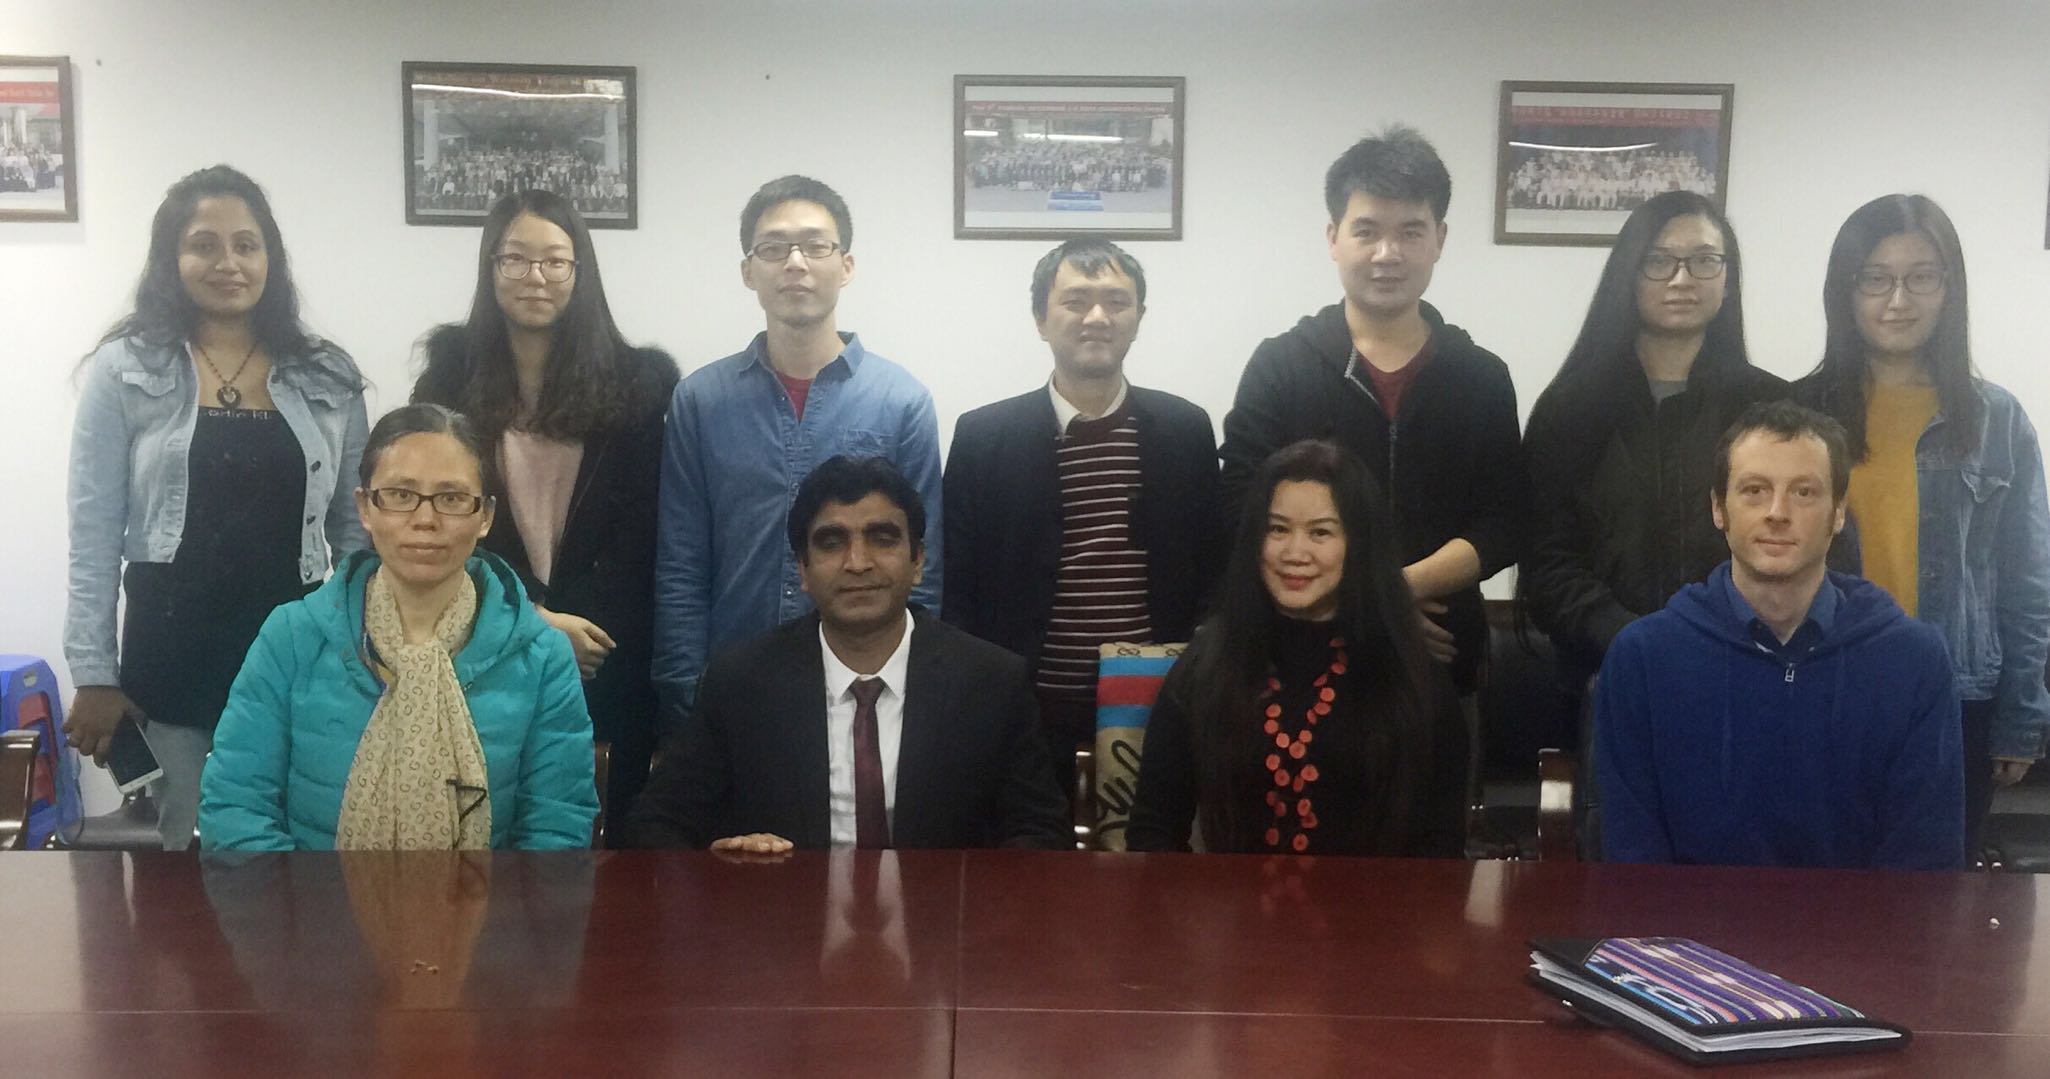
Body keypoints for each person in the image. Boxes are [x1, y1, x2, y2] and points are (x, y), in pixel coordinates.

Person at [64, 164, 369, 850]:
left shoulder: (328, 374)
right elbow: (93, 533)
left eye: (246, 245)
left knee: (298, 848)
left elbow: (356, 532)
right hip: (169, 657)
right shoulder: (124, 369)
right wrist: (93, 674)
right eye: (204, 245)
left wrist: (359, 650)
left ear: (271, 258)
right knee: (186, 855)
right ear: (172, 259)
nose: (228, 262)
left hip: (296, 652)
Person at [199, 404, 598, 850]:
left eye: (451, 498)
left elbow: (556, 829)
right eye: (400, 495)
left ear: (485, 516)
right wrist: (305, 897)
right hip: (309, 894)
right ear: (364, 508)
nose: (425, 520)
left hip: (488, 896)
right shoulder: (291, 637)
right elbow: (236, 808)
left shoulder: (542, 657)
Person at [1218, 126, 1524, 697]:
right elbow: (1243, 506)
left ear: (1440, 238)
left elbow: (1505, 521)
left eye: (1411, 231)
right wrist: (1367, 603)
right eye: (1367, 231)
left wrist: (1397, 590)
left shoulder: (1480, 376)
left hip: (1439, 665)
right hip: (1298, 658)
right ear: (1333, 237)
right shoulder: (1280, 366)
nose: (1388, 254)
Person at [626, 455, 1067, 851]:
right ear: (802, 570)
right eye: (832, 542)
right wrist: (722, 865)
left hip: (941, 916)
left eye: (882, 538)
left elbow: (1043, 835)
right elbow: (656, 825)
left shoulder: (991, 683)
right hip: (786, 913)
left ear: (918, 562)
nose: (857, 562)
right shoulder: (740, 684)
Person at [411, 190, 679, 837]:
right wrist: (530, 621)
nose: (536, 276)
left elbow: (646, 531)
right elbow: (437, 522)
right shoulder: (446, 380)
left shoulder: (642, 384)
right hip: (484, 649)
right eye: (516, 259)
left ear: (580, 271)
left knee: (606, 843)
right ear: (491, 266)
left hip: (608, 656)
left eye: (555, 261)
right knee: (486, 841)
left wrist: (579, 632)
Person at [1596, 402, 1963, 869]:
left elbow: (1924, 864)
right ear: (1718, 508)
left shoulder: (1913, 660)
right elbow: (1634, 859)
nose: (1777, 513)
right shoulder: (1644, 658)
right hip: (1690, 917)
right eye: (1754, 490)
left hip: (1860, 919)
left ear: (1838, 513)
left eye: (1804, 492)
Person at [1794, 194, 2050, 855]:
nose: (1898, 299)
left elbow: (2027, 583)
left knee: (1933, 896)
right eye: (1875, 278)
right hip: (1822, 685)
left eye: (1922, 277)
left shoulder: (1999, 420)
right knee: (1812, 886)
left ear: (1949, 288)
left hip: (1956, 698)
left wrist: (2022, 717)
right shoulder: (1796, 412)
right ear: (1846, 290)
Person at [654, 175, 944, 729]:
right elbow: (682, 565)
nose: (794, 263)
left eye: (815, 246)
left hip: (865, 695)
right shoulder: (700, 401)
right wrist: (686, 693)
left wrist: (909, 690)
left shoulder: (901, 402)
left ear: (846, 265)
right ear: (748, 271)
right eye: (773, 248)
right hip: (731, 688)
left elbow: (921, 571)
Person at [943, 238, 1224, 798]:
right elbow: (959, 587)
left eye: (1117, 302)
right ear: (1040, 320)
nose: (1097, 317)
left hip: (1158, 707)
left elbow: (1214, 566)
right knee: (1029, 848)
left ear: (1138, 318)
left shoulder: (1185, 430)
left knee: (1148, 849)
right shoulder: (983, 438)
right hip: (1023, 709)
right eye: (1075, 301)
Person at [1126, 441, 1467, 856]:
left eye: (1320, 532)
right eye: (1277, 529)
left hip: (1377, 900)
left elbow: (1441, 851)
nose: (1294, 553)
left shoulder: (1414, 678)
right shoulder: (1206, 665)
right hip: (1230, 898)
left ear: (1359, 544)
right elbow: (1153, 829)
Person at [1521, 191, 1799, 685]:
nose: (1681, 279)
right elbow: (1547, 563)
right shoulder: (1570, 408)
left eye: (1704, 260)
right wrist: (1638, 640)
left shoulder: (1770, 408)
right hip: (1607, 673)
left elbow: (1797, 541)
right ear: (1628, 275)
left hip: (1747, 669)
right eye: (1658, 261)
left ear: (1728, 279)